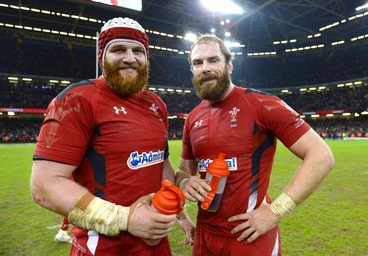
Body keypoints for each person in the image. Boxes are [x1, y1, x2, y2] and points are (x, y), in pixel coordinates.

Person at [31, 17, 195, 255]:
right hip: (101, 247)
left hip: (156, 243)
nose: (130, 58)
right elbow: (44, 186)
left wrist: (181, 216)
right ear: (102, 56)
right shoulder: (77, 99)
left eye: (138, 51)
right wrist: (125, 218)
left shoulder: (156, 104)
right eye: (119, 49)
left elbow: (161, 165)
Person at [175, 34, 335, 255]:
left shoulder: (261, 104)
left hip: (249, 236)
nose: (205, 68)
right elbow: (183, 171)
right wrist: (185, 183)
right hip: (204, 237)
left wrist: (275, 211)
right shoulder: (192, 118)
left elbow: (321, 156)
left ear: (229, 65)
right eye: (197, 63)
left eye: (213, 60)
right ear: (192, 70)